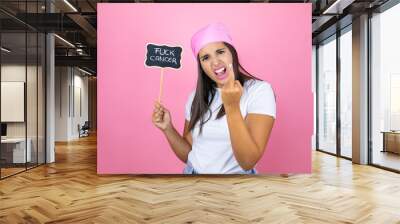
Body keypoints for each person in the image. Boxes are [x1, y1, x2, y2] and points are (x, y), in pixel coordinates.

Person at [152, 22, 276, 174]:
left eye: (220, 52)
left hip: (236, 186)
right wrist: (168, 128)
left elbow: (248, 161)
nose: (215, 62)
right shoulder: (195, 98)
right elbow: (190, 154)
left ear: (232, 53)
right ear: (201, 65)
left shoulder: (259, 91)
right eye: (206, 57)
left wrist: (231, 107)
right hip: (193, 180)